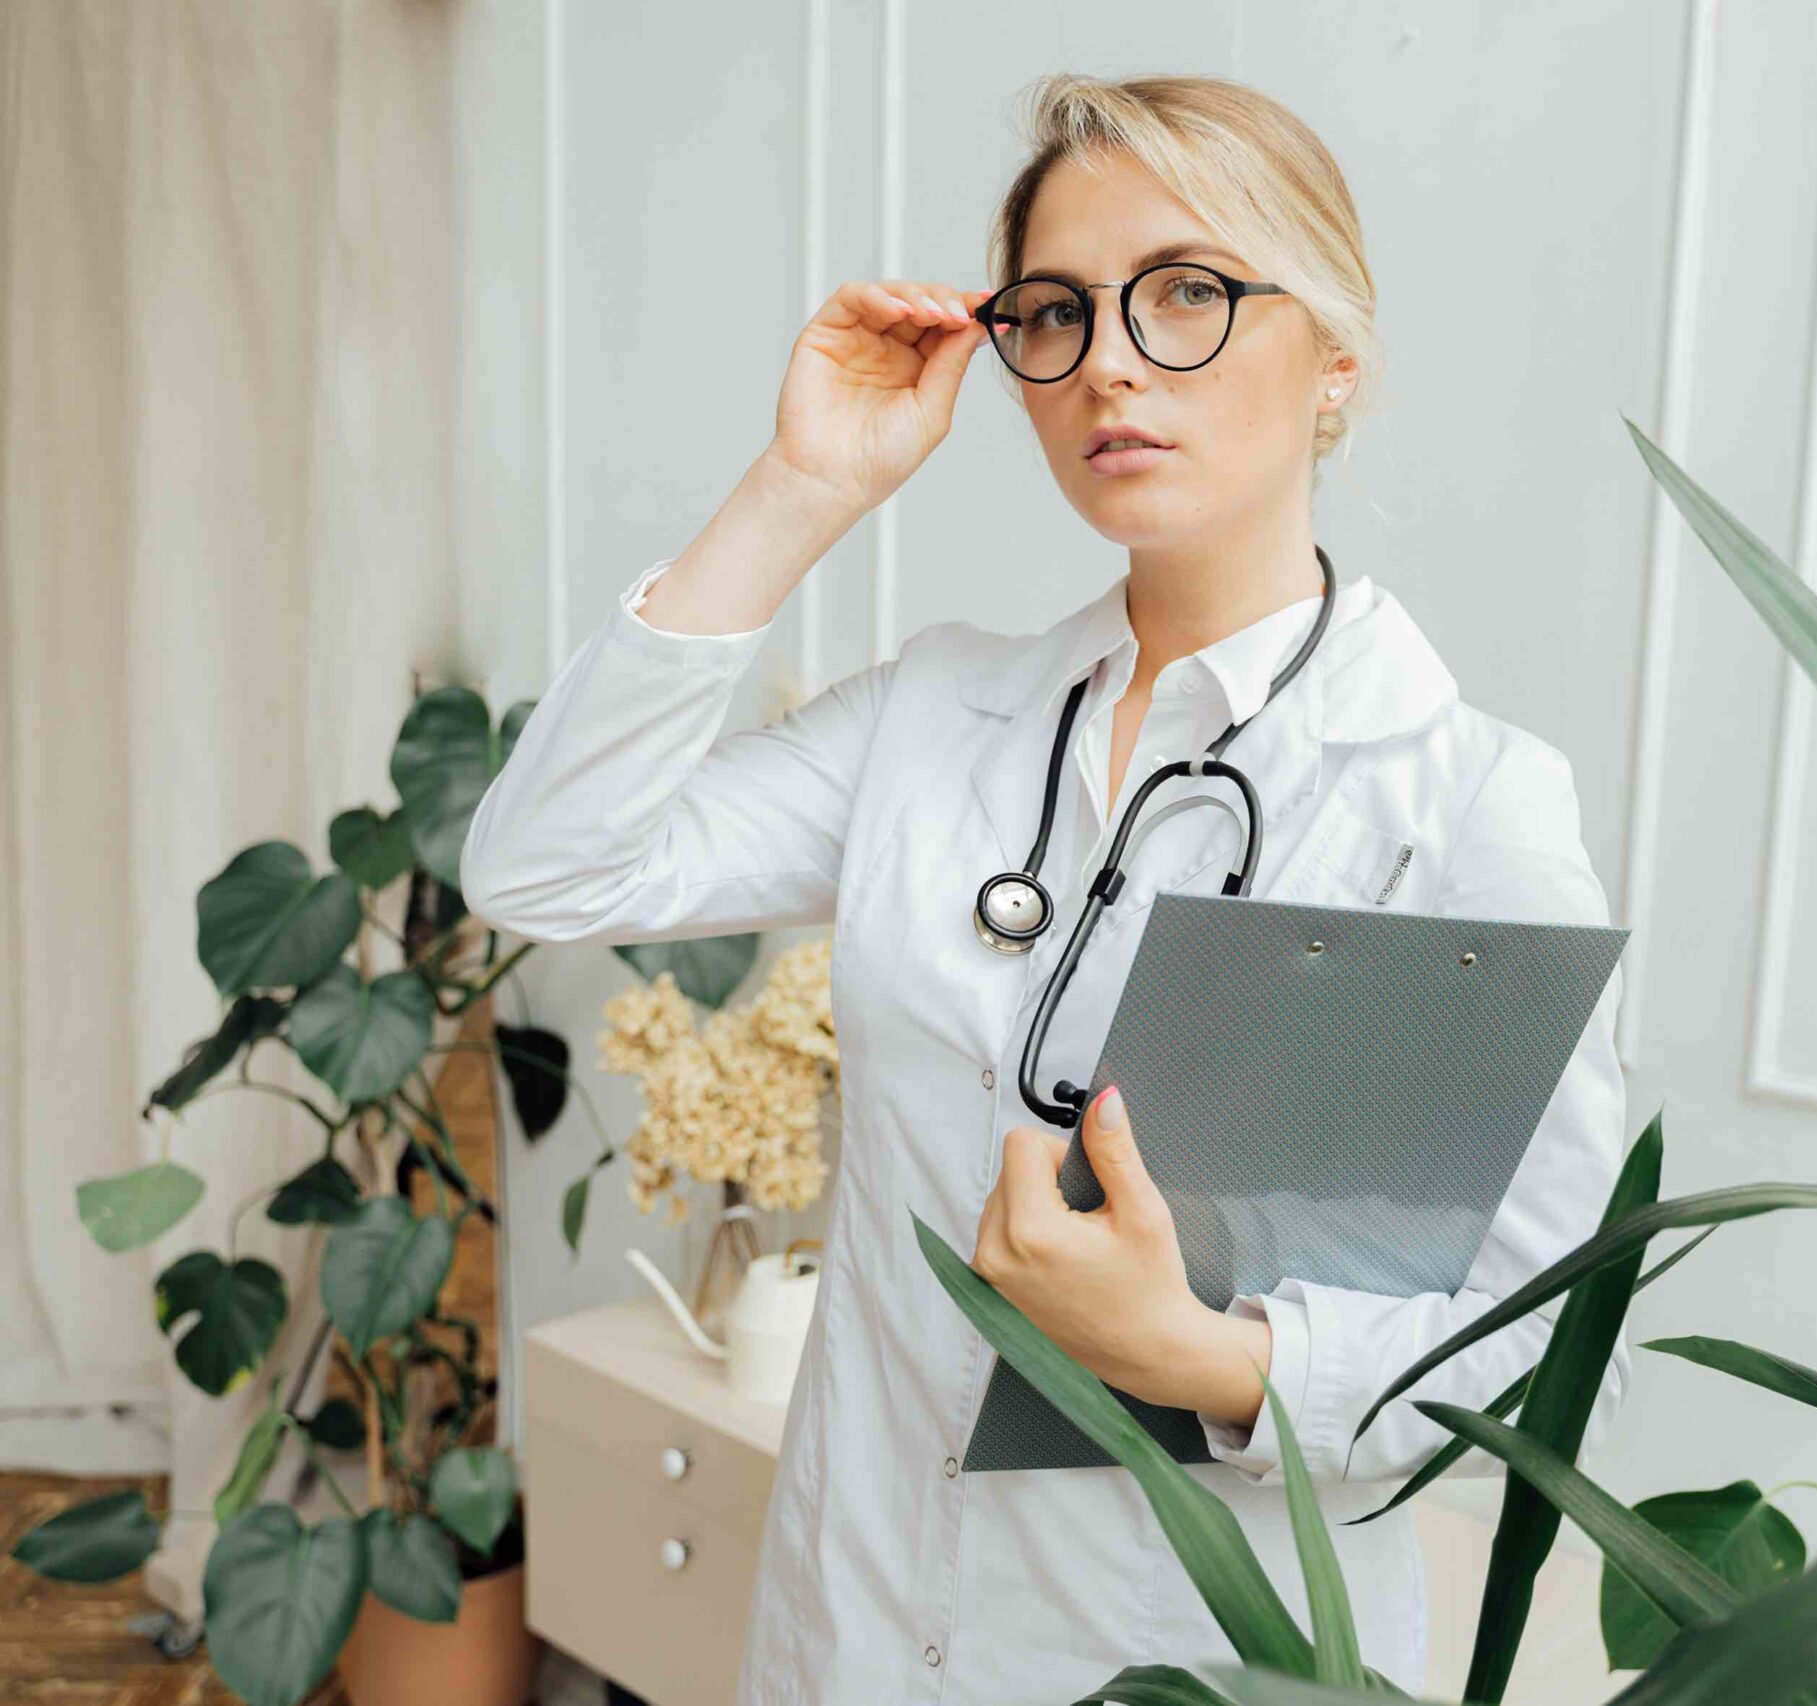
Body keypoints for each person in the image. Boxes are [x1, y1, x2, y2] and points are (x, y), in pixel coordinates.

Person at [461, 70, 1629, 1705]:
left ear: (1337, 360)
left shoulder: (1466, 806)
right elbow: (545, 863)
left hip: (1196, 1654)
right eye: (1058, 313)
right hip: (853, 1623)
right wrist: (803, 487)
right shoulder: (936, 716)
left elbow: (1529, 1334)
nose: (1112, 365)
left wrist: (1206, 1358)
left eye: (1189, 295)